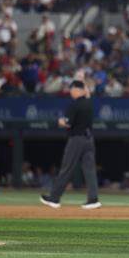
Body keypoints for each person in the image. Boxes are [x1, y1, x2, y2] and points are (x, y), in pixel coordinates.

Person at [40, 79, 101, 209]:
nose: (70, 92)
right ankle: (93, 199)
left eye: (72, 89)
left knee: (66, 168)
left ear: (76, 90)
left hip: (76, 139)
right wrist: (82, 80)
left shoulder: (75, 105)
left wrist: (60, 121)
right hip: (89, 140)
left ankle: (54, 198)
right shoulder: (89, 103)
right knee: (89, 170)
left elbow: (67, 123)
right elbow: (88, 93)